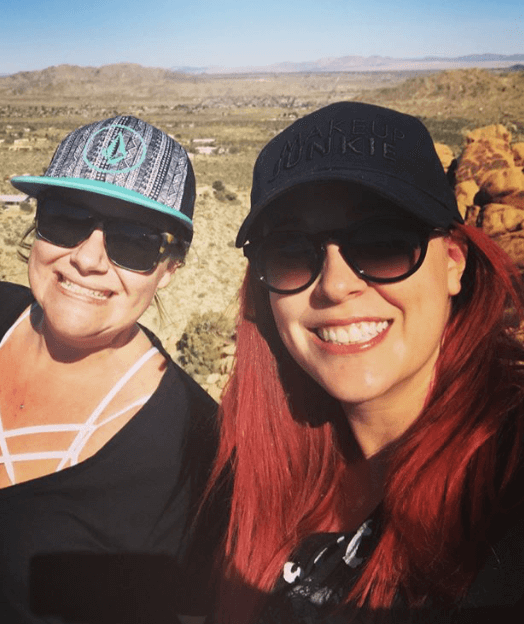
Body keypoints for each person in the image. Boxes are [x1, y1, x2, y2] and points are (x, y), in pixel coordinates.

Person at [206, 102, 524, 623]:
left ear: (453, 264)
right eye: (291, 250)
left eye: (382, 244)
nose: (334, 285)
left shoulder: (504, 488)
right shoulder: (256, 468)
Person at [0, 116, 219, 624]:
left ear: (169, 267)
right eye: (67, 219)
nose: (88, 258)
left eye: (133, 241)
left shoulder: (196, 449)